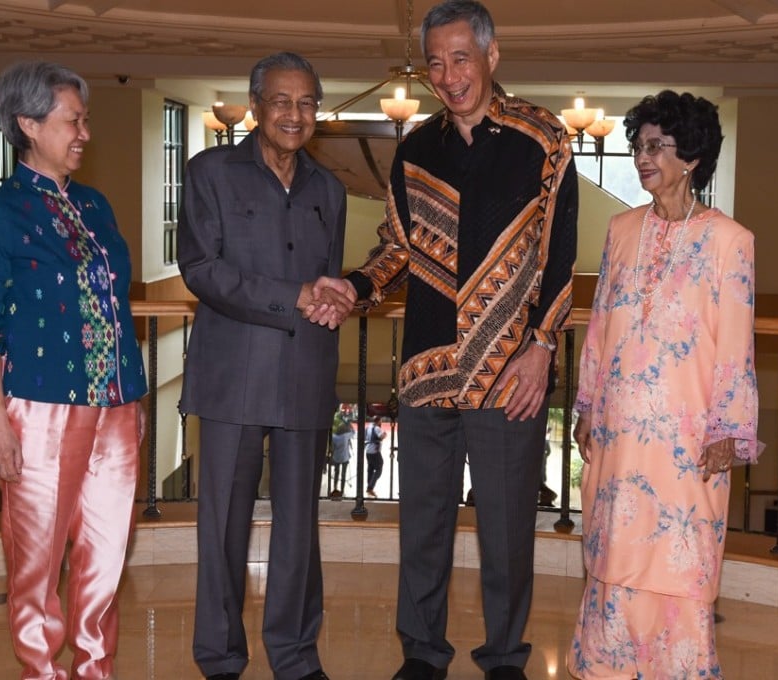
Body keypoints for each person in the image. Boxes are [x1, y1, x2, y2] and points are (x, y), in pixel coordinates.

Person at [307, 3, 577, 678]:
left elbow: (560, 253)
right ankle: (422, 654)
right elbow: (398, 250)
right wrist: (356, 287)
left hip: (507, 369)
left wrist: (542, 346)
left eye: (461, 57)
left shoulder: (542, 138)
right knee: (421, 526)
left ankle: (506, 657)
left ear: (491, 56)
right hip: (428, 368)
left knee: (508, 531)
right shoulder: (415, 150)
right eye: (436, 61)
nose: (449, 75)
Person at [566, 90, 761, 679]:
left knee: (678, 559)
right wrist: (586, 404)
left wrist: (729, 428)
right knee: (616, 550)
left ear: (692, 156)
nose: (642, 158)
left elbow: (737, 345)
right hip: (621, 433)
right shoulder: (622, 230)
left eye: (655, 146)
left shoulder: (732, 242)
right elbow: (600, 325)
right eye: (638, 146)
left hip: (688, 439)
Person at [0, 61, 147, 680]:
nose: (84, 133)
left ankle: (96, 668)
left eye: (84, 119)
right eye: (73, 120)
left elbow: (116, 301)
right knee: (36, 561)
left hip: (115, 407)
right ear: (29, 125)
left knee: (104, 554)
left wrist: (133, 400)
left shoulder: (95, 205)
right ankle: (40, 671)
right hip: (39, 410)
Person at [178, 51, 348, 680]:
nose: (294, 114)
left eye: (306, 103)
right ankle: (221, 659)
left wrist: (329, 300)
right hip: (232, 380)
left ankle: (297, 656)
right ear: (255, 106)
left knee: (300, 531)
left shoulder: (328, 189)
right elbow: (201, 268)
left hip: (305, 376)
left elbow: (324, 282)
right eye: (281, 101)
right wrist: (294, 295)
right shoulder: (209, 173)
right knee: (223, 527)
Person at [328, 412, 353, 498]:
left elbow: (332, 448)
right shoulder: (346, 436)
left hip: (336, 457)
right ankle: (342, 489)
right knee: (343, 474)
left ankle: (335, 487)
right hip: (345, 458)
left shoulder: (334, 436)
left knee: (336, 473)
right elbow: (353, 432)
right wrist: (349, 425)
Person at [364, 415, 386, 498]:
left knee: (370, 469)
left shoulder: (368, 427)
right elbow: (381, 436)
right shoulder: (377, 428)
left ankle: (369, 486)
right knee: (379, 469)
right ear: (378, 421)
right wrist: (385, 435)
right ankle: (370, 487)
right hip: (375, 451)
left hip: (368, 451)